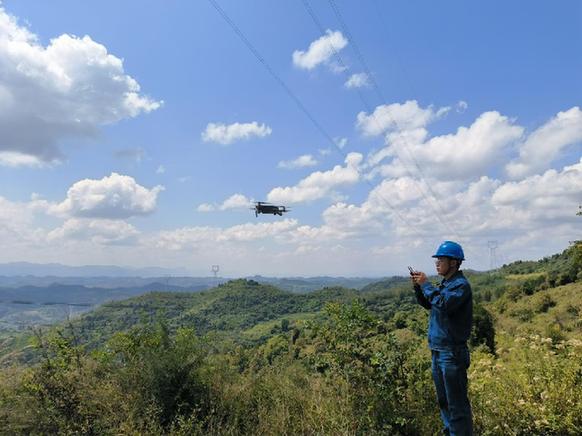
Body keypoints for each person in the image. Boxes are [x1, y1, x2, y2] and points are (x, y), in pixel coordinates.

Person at [411, 241, 473, 436]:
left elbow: (444, 303)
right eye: (437, 260)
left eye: (441, 260)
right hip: (439, 351)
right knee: (444, 402)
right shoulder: (446, 284)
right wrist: (418, 288)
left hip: (452, 353)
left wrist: (426, 284)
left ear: (453, 263)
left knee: (457, 405)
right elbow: (431, 304)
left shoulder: (460, 285)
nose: (437, 263)